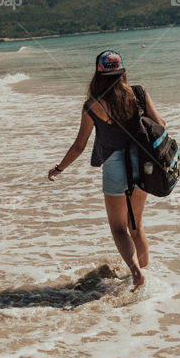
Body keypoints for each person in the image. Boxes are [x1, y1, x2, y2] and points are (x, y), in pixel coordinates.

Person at [48, 50, 165, 290]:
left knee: (118, 228)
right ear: (122, 72)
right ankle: (145, 277)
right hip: (142, 165)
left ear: (98, 74)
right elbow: (161, 125)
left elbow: (79, 145)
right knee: (137, 226)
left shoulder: (93, 104)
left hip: (115, 168)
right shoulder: (138, 93)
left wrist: (59, 168)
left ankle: (135, 273)